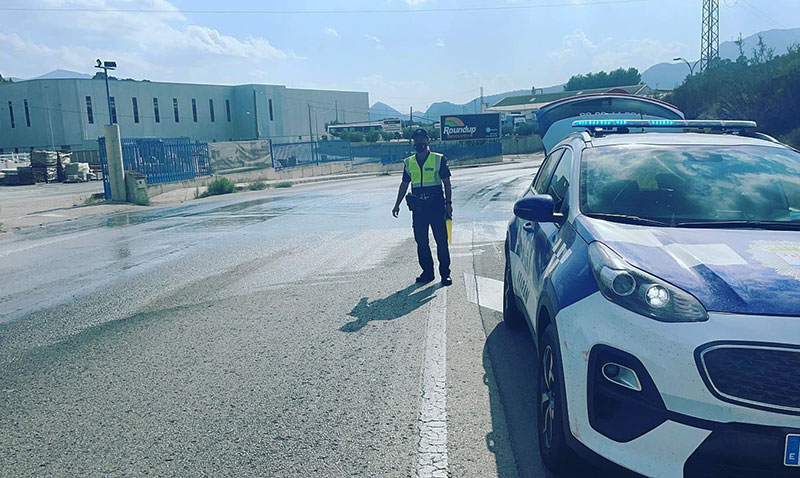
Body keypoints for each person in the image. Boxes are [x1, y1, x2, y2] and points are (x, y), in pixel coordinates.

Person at [392, 128, 453, 286]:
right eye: (416, 140)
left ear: (428, 141)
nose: (419, 143)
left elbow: (447, 183)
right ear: (414, 143)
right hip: (419, 209)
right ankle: (427, 273)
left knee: (441, 241)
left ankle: (445, 274)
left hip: (436, 206)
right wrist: (397, 204)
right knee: (421, 241)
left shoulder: (438, 159)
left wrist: (448, 204)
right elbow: (404, 184)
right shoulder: (409, 162)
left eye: (422, 140)